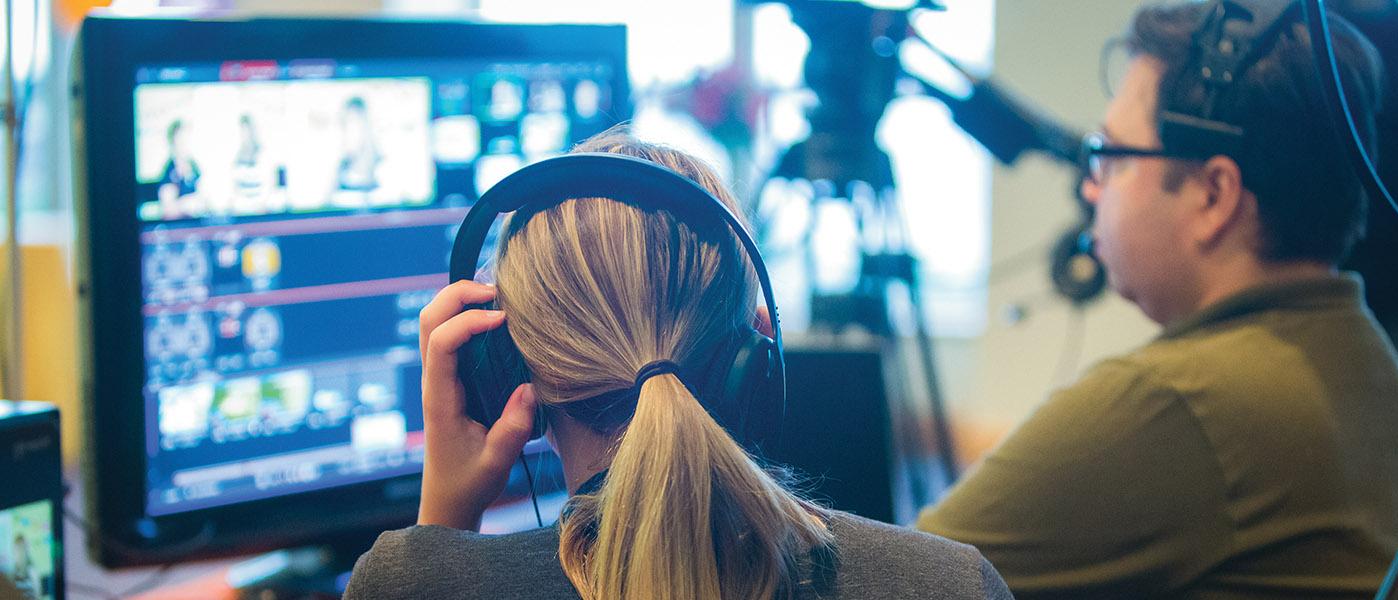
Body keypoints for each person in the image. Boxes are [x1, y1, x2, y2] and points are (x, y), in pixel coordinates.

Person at [345, 132, 1012, 600]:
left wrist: (439, 533)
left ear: (509, 374)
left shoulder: (407, 586)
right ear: (755, 356)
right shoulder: (951, 584)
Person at [917, 2, 1398, 598]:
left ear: (1214, 194)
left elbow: (893, 582)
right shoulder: (1368, 358)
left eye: (1114, 155)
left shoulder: (1181, 402)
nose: (1091, 184)